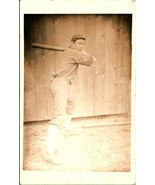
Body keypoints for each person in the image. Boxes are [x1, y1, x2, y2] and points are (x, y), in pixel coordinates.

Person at [46, 34, 96, 165]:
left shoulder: (70, 51)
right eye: (79, 43)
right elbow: (91, 60)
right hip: (60, 83)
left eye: (82, 44)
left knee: (71, 105)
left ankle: (66, 130)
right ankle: (50, 152)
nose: (81, 46)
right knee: (58, 117)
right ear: (72, 43)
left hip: (63, 83)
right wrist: (82, 52)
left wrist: (78, 50)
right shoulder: (73, 52)